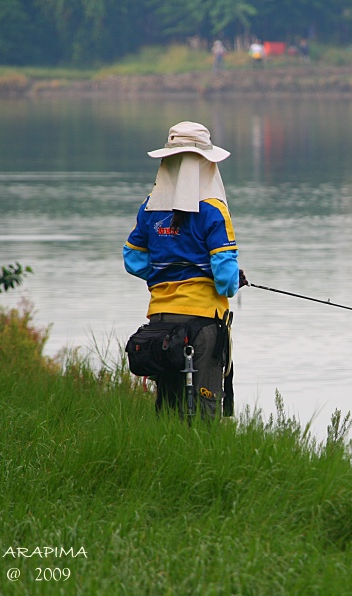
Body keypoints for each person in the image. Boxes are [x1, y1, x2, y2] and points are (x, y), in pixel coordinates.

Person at [124, 121, 246, 420]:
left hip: (160, 323)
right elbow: (227, 280)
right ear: (207, 164)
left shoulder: (149, 209)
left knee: (169, 405)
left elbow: (133, 260)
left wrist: (166, 271)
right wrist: (223, 279)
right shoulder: (213, 211)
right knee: (205, 412)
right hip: (203, 323)